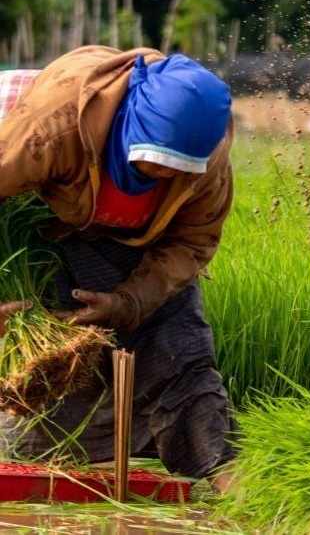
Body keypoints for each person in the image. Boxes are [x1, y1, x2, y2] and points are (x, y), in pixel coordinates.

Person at [0, 46, 238, 488]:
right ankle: (50, 464)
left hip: (134, 240)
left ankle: (225, 473)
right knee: (48, 374)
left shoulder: (207, 164)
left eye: (174, 169)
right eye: (150, 159)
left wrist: (126, 302)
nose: (157, 173)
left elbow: (192, 241)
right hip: (37, 209)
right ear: (130, 125)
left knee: (179, 347)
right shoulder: (51, 128)